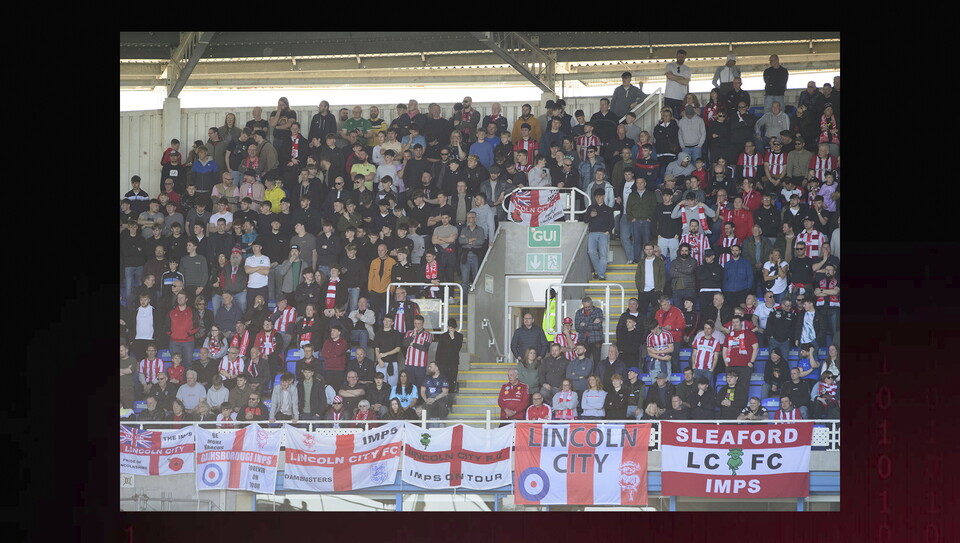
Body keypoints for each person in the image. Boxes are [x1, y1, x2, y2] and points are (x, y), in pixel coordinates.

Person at [402, 315, 433, 387]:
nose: (417, 325)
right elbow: (404, 344)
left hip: (420, 365)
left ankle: (420, 399)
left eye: (419, 323)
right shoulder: (409, 333)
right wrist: (413, 335)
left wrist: (412, 344)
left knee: (420, 386)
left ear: (422, 323)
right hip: (409, 364)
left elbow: (425, 348)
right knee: (409, 385)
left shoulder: (427, 334)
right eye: (415, 323)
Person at [663, 49, 691, 116]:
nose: (681, 59)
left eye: (682, 57)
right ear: (676, 56)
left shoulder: (687, 69)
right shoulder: (669, 65)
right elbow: (669, 76)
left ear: (685, 58)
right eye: (679, 57)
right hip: (669, 96)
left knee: (681, 115)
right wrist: (681, 78)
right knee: (668, 115)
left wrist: (674, 77)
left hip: (681, 97)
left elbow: (685, 82)